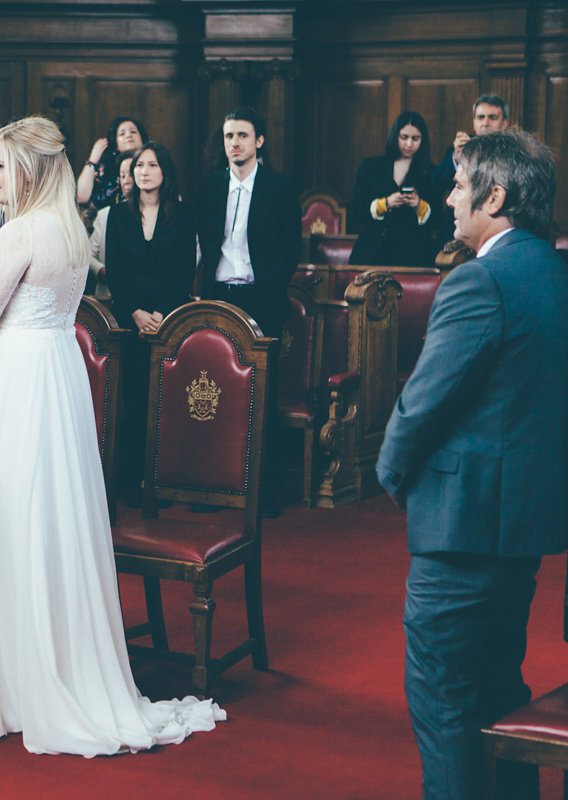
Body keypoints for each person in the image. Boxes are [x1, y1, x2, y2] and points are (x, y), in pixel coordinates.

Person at [0, 116, 224, 755]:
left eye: (1, 168)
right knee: (51, 515)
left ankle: (17, 681)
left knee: (17, 516)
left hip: (21, 380)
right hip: (54, 373)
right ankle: (54, 662)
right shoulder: (67, 227)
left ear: (28, 171)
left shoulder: (21, 231)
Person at [377, 129, 565, 800]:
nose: (450, 198)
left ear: (495, 194)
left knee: (446, 703)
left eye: (459, 185)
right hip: (523, 528)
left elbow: (421, 405)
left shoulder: (478, 280)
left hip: (461, 528)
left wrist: (391, 476)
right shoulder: (558, 273)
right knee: (498, 689)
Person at [105, 142, 195, 505]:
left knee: (166, 402)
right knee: (134, 401)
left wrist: (161, 313)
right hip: (131, 324)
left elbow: (185, 269)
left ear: (165, 173)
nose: (144, 171)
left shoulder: (183, 214)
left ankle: (162, 478)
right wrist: (136, 314)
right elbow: (115, 272)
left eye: (152, 165)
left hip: (169, 322)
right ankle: (132, 479)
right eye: (139, 165)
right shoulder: (117, 215)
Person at [197, 106, 301, 341]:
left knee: (264, 373)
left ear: (259, 141)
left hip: (263, 296)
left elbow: (292, 247)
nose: (234, 142)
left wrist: (272, 283)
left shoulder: (280, 187)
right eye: (229, 136)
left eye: (243, 135)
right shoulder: (209, 187)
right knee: (217, 371)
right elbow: (205, 241)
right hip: (218, 294)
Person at [349, 111, 435, 267]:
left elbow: (437, 220)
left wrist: (419, 205)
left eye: (415, 139)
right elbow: (357, 210)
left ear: (423, 141)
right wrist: (385, 204)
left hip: (414, 255)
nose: (409, 144)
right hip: (374, 252)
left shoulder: (430, 171)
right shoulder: (370, 167)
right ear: (395, 136)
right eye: (404, 137)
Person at [430, 94, 510, 251]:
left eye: (492, 117)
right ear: (474, 123)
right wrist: (456, 157)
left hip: (495, 230)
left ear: (504, 123)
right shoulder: (460, 148)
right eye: (481, 117)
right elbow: (435, 184)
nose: (485, 123)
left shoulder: (511, 152)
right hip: (456, 231)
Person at [87, 151, 135, 298]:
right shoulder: (105, 214)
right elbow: (88, 254)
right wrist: (102, 271)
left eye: (131, 174)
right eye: (122, 176)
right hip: (110, 296)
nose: (126, 180)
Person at [76, 115, 146, 212]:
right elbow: (81, 197)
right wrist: (93, 159)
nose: (129, 135)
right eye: (122, 134)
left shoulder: (153, 164)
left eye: (133, 131)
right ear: (115, 142)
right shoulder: (106, 170)